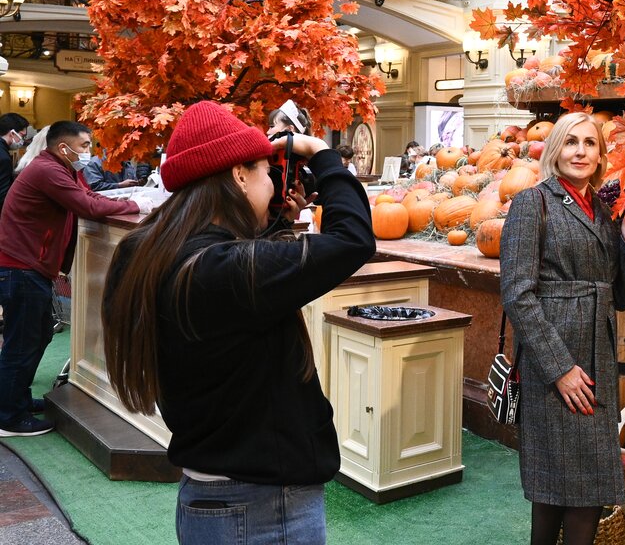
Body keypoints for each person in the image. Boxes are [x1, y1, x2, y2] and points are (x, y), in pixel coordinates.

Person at [101, 101, 375, 544]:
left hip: (210, 494)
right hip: (263, 508)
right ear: (238, 175)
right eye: (266, 172)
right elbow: (352, 240)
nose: (273, 182)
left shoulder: (148, 252)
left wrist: (269, 223)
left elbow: (234, 299)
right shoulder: (226, 271)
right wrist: (322, 153)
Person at [499, 112, 625, 545]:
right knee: (559, 488)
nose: (580, 151)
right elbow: (517, 294)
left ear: (600, 155)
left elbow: (618, 295)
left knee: (579, 488)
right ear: (555, 150)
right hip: (556, 363)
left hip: (597, 357)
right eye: (570, 142)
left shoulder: (601, 210)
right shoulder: (533, 203)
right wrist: (560, 368)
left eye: (589, 143)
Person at [0, 120, 152, 437]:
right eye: (84, 146)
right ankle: (9, 416)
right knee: (22, 343)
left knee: (37, 335)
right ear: (63, 147)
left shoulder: (62, 168)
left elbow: (88, 195)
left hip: (29, 266)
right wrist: (138, 203)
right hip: (21, 267)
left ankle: (17, 400)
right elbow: (87, 204)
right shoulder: (49, 170)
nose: (88, 152)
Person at [0, 112, 30, 216]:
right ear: (12, 133)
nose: (23, 140)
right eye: (22, 136)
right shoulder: (3, 157)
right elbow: (2, 195)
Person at [82, 150, 151, 192]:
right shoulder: (94, 163)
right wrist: (119, 185)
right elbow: (94, 187)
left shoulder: (127, 163)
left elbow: (132, 182)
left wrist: (138, 183)